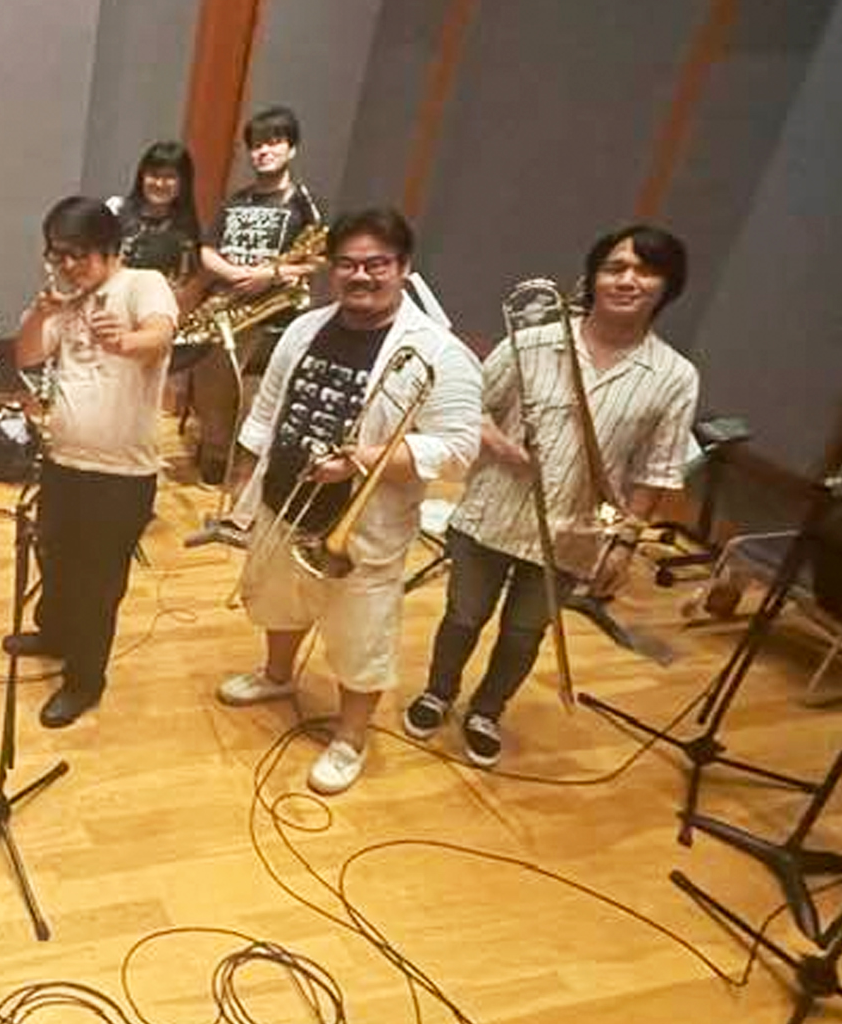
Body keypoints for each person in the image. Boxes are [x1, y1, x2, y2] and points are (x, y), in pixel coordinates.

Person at [405, 226, 699, 765]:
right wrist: (502, 446)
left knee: (524, 633)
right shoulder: (533, 340)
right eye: (614, 267)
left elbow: (655, 472)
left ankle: (487, 710)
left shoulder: (675, 376)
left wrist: (624, 543)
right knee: (463, 616)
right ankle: (438, 692)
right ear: (592, 277)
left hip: (573, 531)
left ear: (668, 286)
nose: (627, 280)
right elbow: (472, 406)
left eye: (645, 271)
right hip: (491, 510)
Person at [217, 207, 481, 797]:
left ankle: (350, 737)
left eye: (376, 264)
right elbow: (270, 407)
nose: (360, 276)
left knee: (361, 635)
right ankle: (277, 675)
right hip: (287, 498)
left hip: (361, 523)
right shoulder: (305, 328)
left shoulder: (440, 352)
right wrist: (245, 474)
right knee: (279, 599)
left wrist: (364, 458)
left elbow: (460, 448)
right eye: (347, 264)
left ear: (404, 267)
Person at [6, 196, 179, 728]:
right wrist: (42, 312)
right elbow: (27, 356)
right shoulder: (66, 299)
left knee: (98, 583)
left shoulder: (142, 283)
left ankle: (84, 681)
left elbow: (161, 335)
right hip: (64, 460)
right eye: (57, 254)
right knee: (54, 557)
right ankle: (55, 634)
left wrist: (124, 340)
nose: (67, 265)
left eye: (78, 254)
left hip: (121, 473)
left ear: (109, 247)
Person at [190, 106, 324, 483]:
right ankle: (216, 452)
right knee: (214, 385)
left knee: (257, 395)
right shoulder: (237, 201)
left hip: (275, 313)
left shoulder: (303, 203)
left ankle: (247, 464)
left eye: (274, 142)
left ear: (292, 148)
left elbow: (319, 258)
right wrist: (232, 273)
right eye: (257, 145)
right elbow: (206, 249)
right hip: (228, 308)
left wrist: (270, 275)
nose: (264, 151)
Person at [111, 140, 203, 304]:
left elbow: (188, 284)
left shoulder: (187, 230)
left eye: (170, 177)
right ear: (141, 177)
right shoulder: (116, 212)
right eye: (153, 175)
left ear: (183, 182)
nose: (160, 184)